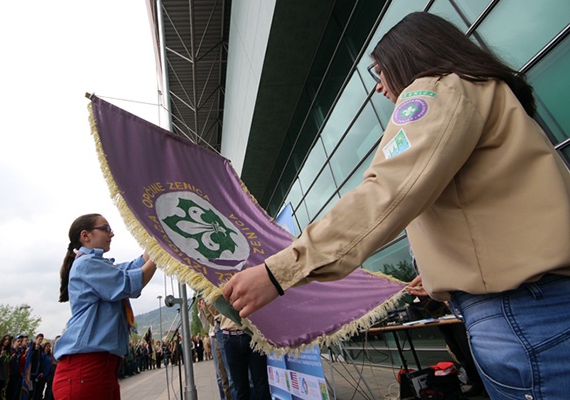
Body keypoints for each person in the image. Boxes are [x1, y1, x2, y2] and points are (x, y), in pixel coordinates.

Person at [222, 11, 570, 400]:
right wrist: (444, 270)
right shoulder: (485, 91)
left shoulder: (437, 89)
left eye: (378, 72)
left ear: (408, 58)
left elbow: (387, 192)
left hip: (521, 312)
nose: (378, 88)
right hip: (541, 306)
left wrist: (278, 272)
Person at [52, 213, 157, 400]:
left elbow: (135, 265)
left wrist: (158, 239)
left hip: (100, 367)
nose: (112, 234)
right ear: (86, 236)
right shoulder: (86, 263)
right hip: (85, 368)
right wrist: (160, 255)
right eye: (106, 229)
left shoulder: (98, 264)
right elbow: (128, 283)